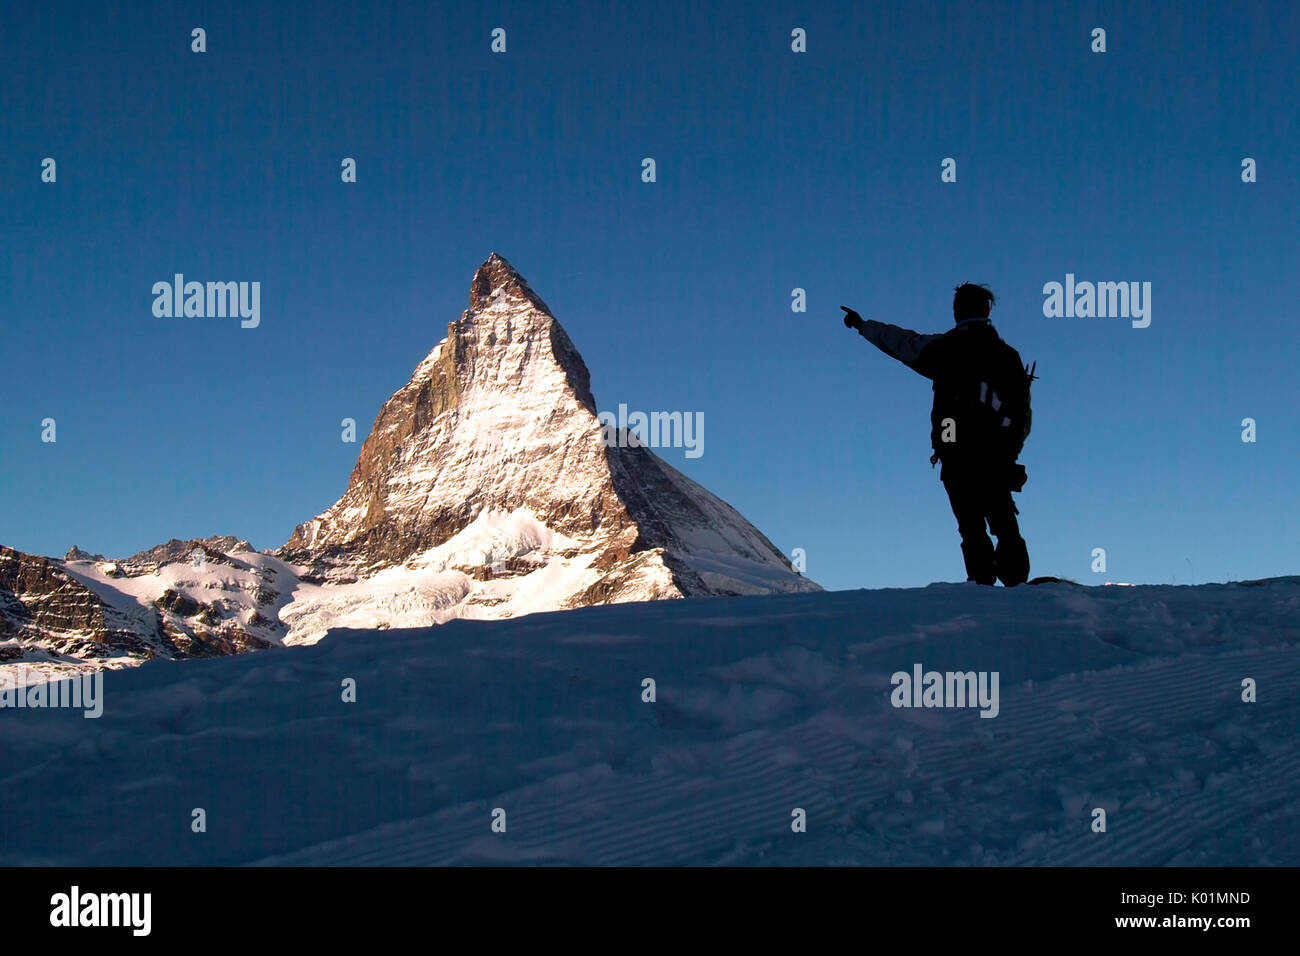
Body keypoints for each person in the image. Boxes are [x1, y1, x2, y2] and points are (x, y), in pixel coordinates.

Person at [841, 284, 1033, 586]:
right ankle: (1019, 586)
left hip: (955, 454)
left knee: (970, 526)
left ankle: (981, 585)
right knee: (1003, 522)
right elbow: (1021, 413)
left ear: (957, 311)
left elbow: (901, 342)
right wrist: (1009, 453)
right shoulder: (1008, 356)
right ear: (988, 311)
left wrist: (863, 326)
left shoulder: (944, 348)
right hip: (996, 456)